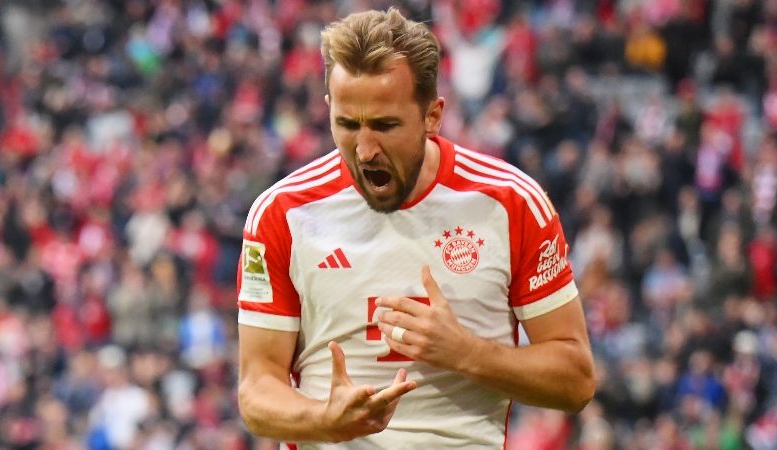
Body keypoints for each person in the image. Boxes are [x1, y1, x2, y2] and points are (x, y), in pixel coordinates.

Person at [236, 8, 595, 449]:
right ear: (328, 108)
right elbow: (256, 392)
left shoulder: (511, 203)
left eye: (386, 125)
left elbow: (576, 379)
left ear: (432, 115)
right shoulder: (282, 213)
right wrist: (325, 419)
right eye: (347, 124)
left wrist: (466, 353)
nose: (365, 150)